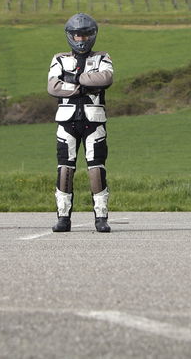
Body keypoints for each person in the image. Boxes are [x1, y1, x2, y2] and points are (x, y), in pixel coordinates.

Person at [47, 13, 114, 233]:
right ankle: (63, 217)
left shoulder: (103, 57)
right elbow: (53, 87)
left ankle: (101, 217)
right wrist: (86, 85)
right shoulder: (59, 58)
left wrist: (73, 80)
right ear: (70, 36)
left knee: (96, 168)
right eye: (77, 35)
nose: (81, 40)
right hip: (67, 122)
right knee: (65, 168)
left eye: (85, 35)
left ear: (92, 35)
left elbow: (105, 79)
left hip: (94, 120)